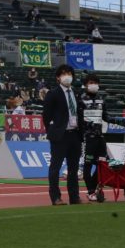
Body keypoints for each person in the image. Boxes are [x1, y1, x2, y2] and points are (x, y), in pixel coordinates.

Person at [41, 64, 85, 206]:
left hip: (75, 134)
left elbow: (79, 113)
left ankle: (74, 197)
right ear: (58, 78)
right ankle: (55, 197)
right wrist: (53, 131)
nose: (67, 76)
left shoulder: (75, 93)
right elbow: (46, 116)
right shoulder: (53, 93)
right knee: (55, 167)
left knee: (73, 168)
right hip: (60, 135)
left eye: (69, 73)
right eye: (64, 74)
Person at [79, 74, 124, 204]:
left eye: (95, 82)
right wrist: (85, 128)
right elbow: (78, 119)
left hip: (100, 137)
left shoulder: (100, 99)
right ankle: (90, 192)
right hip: (88, 138)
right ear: (86, 85)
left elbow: (106, 117)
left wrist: (119, 121)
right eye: (90, 82)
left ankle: (94, 190)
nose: (93, 85)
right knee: (88, 165)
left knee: (103, 165)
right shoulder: (80, 100)